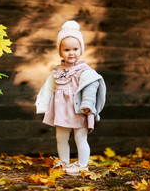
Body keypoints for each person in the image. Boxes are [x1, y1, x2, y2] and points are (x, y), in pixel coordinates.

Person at [35, 20, 106, 176]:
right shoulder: (57, 71)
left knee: (80, 138)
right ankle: (64, 162)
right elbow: (48, 88)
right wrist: (43, 104)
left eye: (75, 48)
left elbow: (90, 88)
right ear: (60, 51)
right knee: (61, 138)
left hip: (78, 109)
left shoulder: (84, 71)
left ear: (81, 49)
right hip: (61, 111)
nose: (71, 52)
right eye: (66, 49)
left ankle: (82, 165)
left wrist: (87, 104)